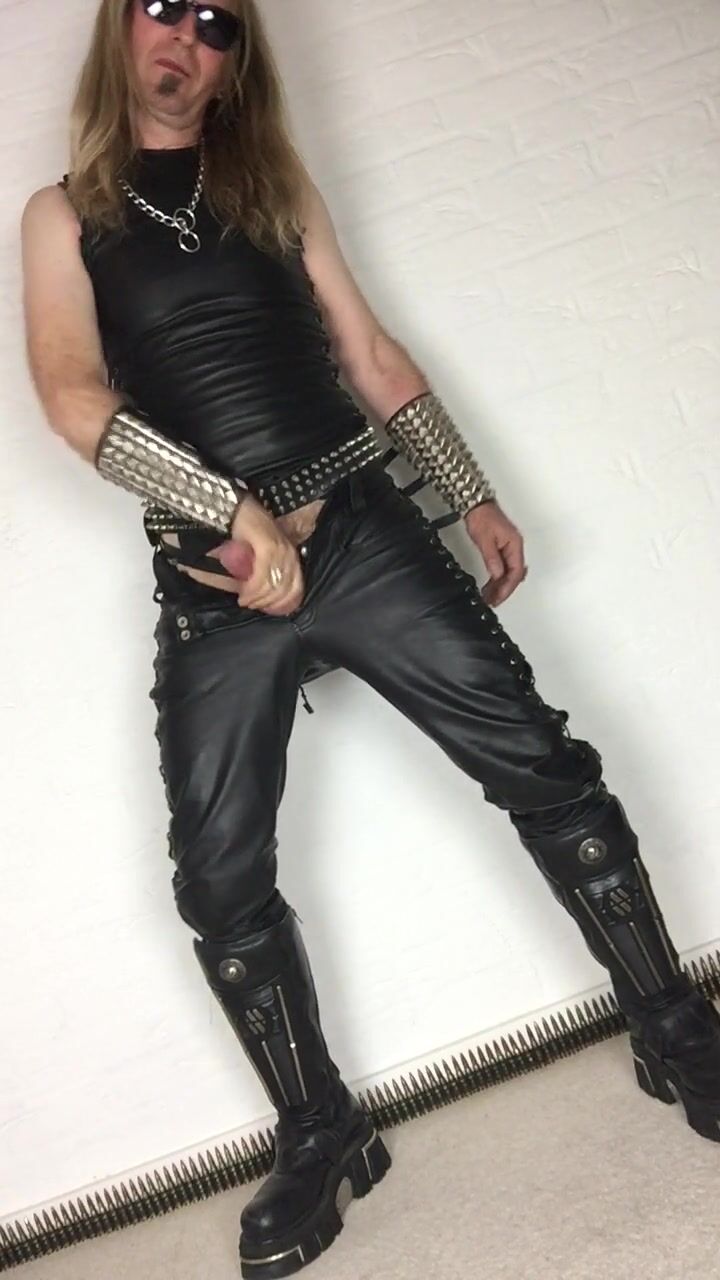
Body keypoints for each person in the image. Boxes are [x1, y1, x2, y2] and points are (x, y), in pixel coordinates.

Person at [20, 0, 720, 1275]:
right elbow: (73, 396)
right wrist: (229, 513)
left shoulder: (273, 187)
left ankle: (675, 1023)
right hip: (216, 581)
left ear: (237, 62)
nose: (185, 38)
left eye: (217, 23)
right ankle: (321, 1128)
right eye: (162, 8)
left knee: (542, 764)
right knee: (217, 878)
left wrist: (471, 491)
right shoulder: (63, 216)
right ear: (120, 31)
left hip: (359, 530)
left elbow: (370, 352)